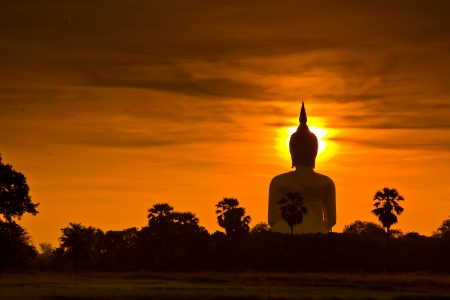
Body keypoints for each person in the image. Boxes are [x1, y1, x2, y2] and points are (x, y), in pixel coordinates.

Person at [268, 102, 336, 234]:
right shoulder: (326, 182)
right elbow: (331, 220)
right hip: (318, 233)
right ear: (315, 152)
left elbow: (272, 219)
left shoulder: (278, 182)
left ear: (292, 152)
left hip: (282, 233)